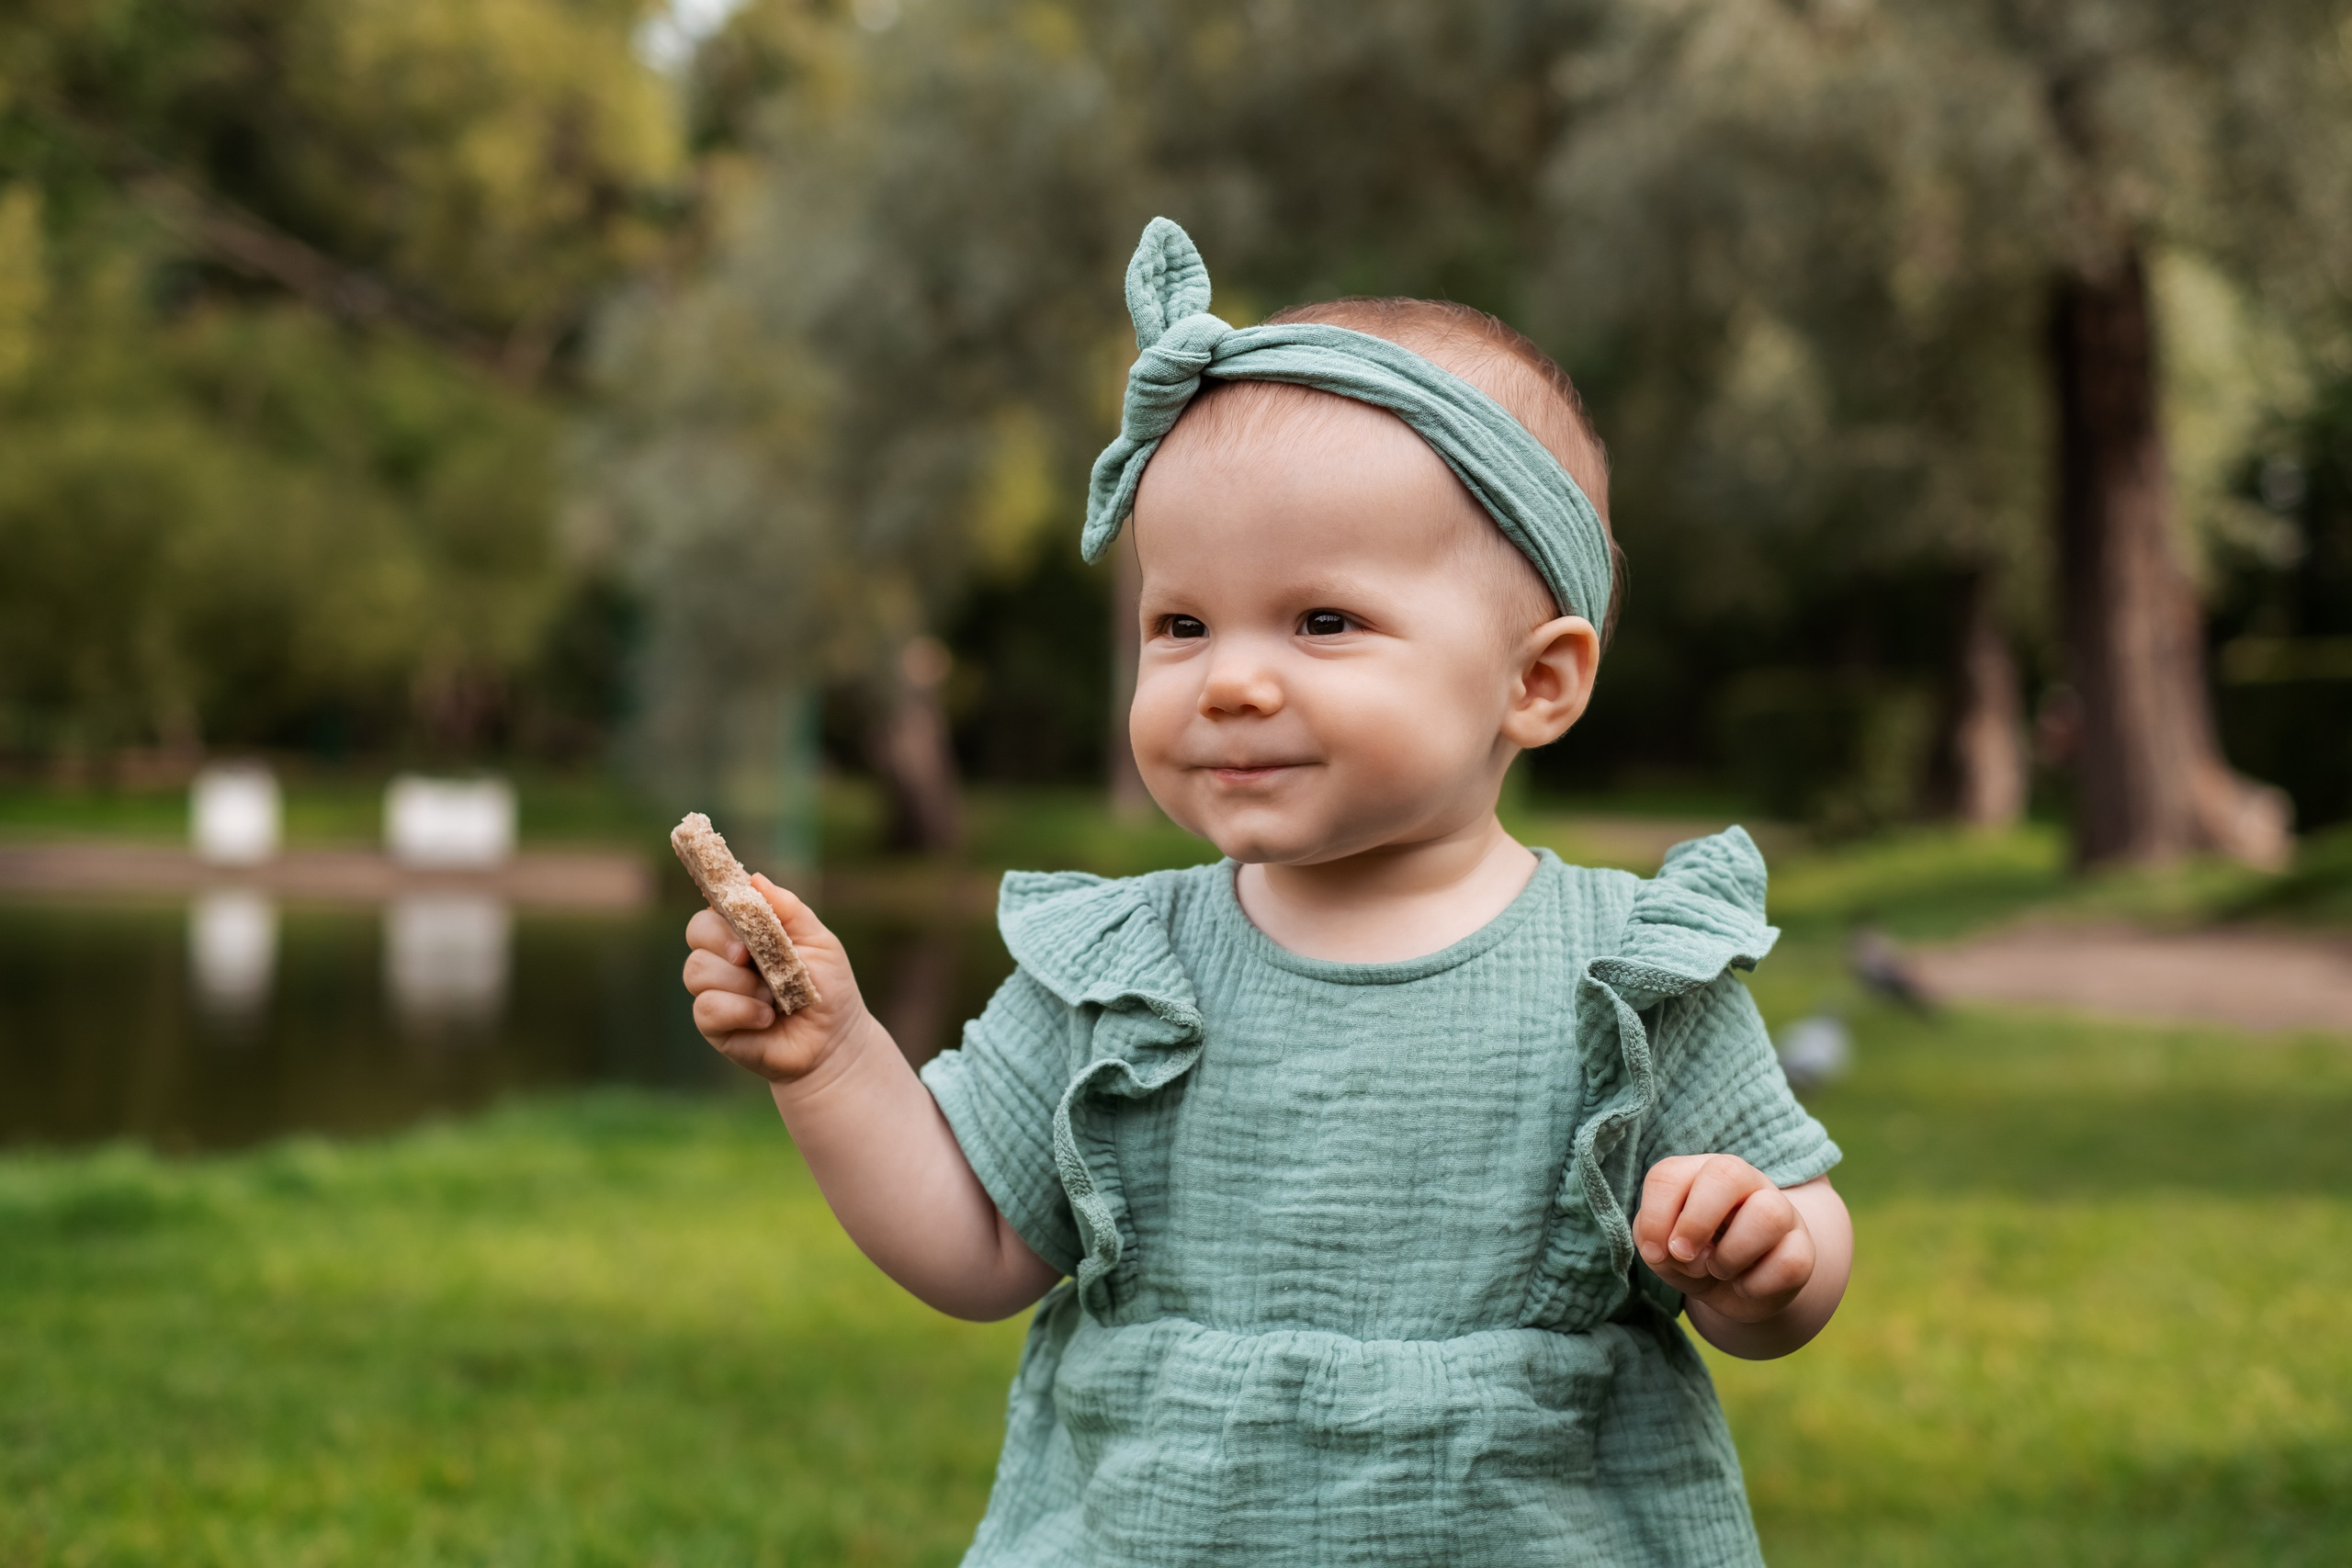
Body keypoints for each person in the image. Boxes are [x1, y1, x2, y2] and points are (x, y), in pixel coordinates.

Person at [681, 219, 1852, 1566]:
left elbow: (1798, 1221)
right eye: (1181, 624)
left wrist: (1768, 1257)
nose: (1228, 679)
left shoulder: (1626, 974)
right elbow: (976, 1247)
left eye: (1323, 621)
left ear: (1537, 682)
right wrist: (831, 1061)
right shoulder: (1121, 965)